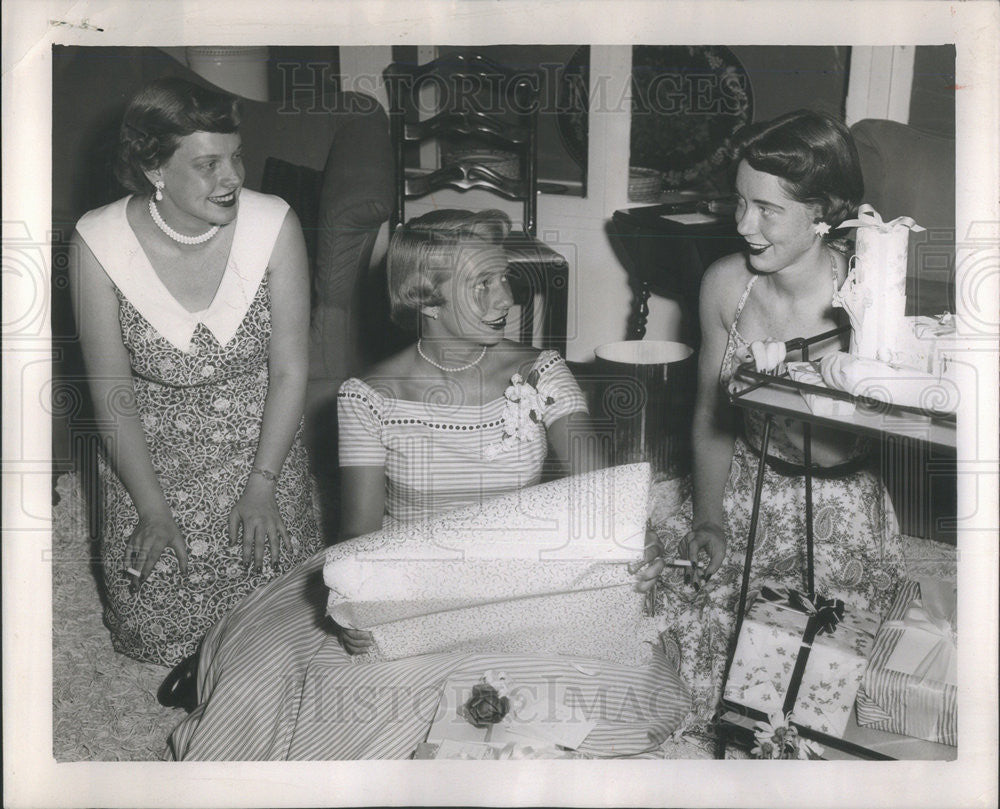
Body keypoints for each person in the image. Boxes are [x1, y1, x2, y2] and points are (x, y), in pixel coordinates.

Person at [168, 210, 690, 761]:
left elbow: (600, 495)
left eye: (504, 278)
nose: (506, 301)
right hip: (412, 590)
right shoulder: (366, 397)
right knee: (330, 702)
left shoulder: (542, 372)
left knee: (581, 692)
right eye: (481, 285)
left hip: (522, 584)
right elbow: (362, 539)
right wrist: (358, 607)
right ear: (425, 299)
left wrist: (636, 541)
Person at [636, 109, 905, 733]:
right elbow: (709, 416)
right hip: (742, 478)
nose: (743, 226)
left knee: (791, 684)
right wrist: (708, 516)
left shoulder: (867, 301)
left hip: (835, 505)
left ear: (823, 213)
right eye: (738, 202)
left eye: (767, 210)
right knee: (662, 598)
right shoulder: (725, 287)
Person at [69, 77, 321, 670]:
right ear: (155, 168)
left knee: (284, 624)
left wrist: (263, 483)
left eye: (236, 156)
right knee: (156, 629)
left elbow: (290, 369)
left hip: (262, 441)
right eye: (208, 163)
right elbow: (111, 397)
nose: (232, 177)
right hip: (150, 455)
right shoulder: (95, 241)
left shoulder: (275, 224)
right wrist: (153, 508)